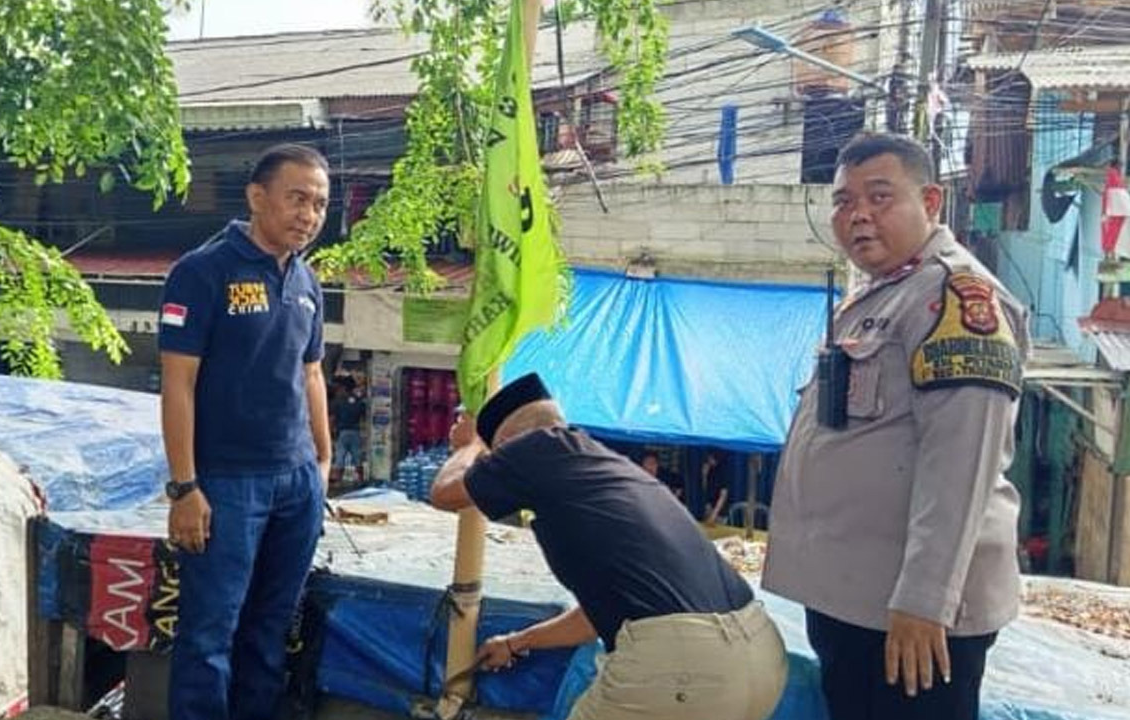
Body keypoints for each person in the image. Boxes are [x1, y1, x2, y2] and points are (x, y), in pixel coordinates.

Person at [763, 133, 1028, 720]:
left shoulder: (954, 297)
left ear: (931, 201)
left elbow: (961, 461)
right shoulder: (883, 295)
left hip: (910, 615)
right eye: (843, 201)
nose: (857, 214)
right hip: (857, 600)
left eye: (879, 196)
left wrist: (926, 601)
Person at [431, 373, 787, 720]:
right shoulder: (608, 468)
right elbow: (596, 618)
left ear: (507, 445)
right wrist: (517, 642)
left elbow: (445, 493)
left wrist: (470, 445)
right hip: (759, 657)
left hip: (682, 666)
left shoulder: (535, 447)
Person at [158, 143, 333, 720]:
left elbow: (311, 374)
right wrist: (185, 487)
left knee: (272, 626)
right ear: (257, 197)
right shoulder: (202, 272)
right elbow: (178, 384)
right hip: (227, 483)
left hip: (297, 483)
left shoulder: (307, 280)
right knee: (210, 632)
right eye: (297, 198)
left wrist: (322, 463)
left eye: (319, 204)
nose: (309, 215)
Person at [330, 375, 367, 484]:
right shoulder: (359, 401)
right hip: (355, 432)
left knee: (340, 456)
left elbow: (332, 418)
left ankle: (338, 480)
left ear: (343, 388)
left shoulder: (338, 401)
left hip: (342, 432)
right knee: (357, 456)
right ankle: (360, 479)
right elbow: (363, 415)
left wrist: (331, 431)